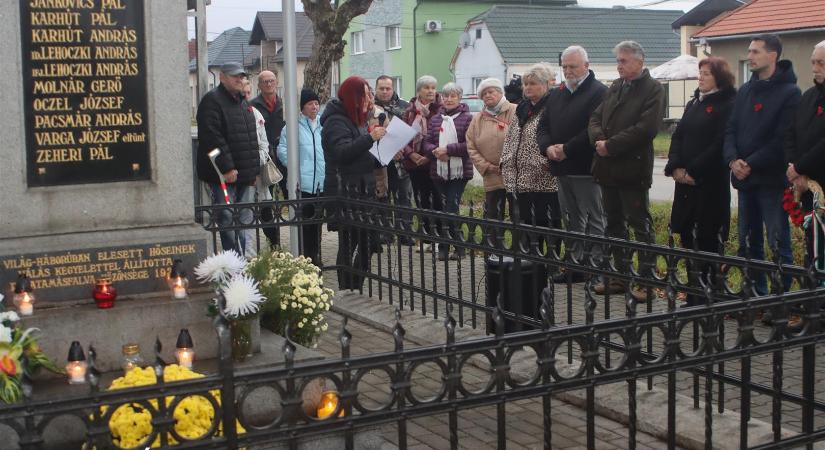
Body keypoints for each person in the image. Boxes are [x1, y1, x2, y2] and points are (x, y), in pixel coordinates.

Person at [724, 34, 800, 295]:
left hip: (771, 181)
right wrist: (733, 159)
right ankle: (755, 293)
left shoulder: (790, 92)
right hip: (745, 181)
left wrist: (751, 163)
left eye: (756, 51)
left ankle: (779, 300)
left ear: (773, 55)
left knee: (777, 242)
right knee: (747, 241)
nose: (751, 56)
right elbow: (731, 128)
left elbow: (782, 138)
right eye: (749, 51)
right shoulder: (745, 90)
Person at [588, 41, 665, 300]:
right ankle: (619, 276)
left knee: (639, 224)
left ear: (639, 61)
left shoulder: (652, 89)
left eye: (623, 61)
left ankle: (646, 281)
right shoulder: (616, 87)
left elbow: (646, 128)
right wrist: (599, 141)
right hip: (607, 167)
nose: (619, 66)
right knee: (613, 224)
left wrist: (611, 145)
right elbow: (595, 117)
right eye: (618, 61)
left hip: (632, 168)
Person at [664, 57, 736, 305]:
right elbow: (678, 137)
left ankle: (709, 292)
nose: (701, 77)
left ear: (719, 77)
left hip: (708, 183)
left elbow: (719, 144)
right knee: (687, 234)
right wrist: (675, 166)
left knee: (707, 238)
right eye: (700, 73)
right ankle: (694, 289)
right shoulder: (694, 103)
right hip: (685, 183)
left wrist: (693, 170)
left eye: (706, 73)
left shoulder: (727, 104)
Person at [537, 45, 607, 283]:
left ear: (586, 66)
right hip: (560, 166)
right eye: (564, 66)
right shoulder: (557, 94)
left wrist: (567, 149)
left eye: (573, 66)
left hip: (585, 166)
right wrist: (547, 148)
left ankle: (597, 267)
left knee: (594, 218)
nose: (568, 71)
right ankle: (576, 265)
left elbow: (593, 128)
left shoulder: (598, 92)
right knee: (571, 219)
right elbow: (543, 125)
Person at [320, 76, 386, 290]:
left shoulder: (357, 119)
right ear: (354, 97)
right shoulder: (335, 121)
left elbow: (362, 155)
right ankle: (347, 289)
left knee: (368, 245)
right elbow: (342, 152)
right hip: (345, 192)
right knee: (349, 246)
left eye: (370, 94)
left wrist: (384, 152)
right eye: (366, 94)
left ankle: (355, 287)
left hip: (362, 190)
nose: (369, 98)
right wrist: (370, 138)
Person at [196, 62, 260, 254]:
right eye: (235, 76)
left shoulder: (242, 102)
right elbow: (212, 138)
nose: (239, 80)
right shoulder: (212, 101)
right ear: (222, 77)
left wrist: (253, 172)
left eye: (241, 76)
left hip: (244, 175)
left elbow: (249, 139)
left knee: (242, 220)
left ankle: (241, 260)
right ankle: (234, 261)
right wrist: (227, 168)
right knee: (227, 218)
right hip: (225, 176)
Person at [500, 62, 561, 230]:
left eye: (533, 83)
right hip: (519, 180)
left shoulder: (553, 106)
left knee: (547, 226)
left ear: (547, 84)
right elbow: (510, 139)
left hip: (545, 181)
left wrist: (545, 164)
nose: (527, 87)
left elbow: (555, 138)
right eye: (526, 84)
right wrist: (505, 162)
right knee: (524, 227)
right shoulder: (522, 108)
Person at [785, 40, 825, 272]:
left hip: (820, 179)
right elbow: (790, 132)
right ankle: (813, 296)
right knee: (812, 246)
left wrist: (800, 167)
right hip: (806, 186)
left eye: (821, 63)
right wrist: (793, 167)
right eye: (813, 62)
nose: (815, 68)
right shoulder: (808, 96)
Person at [423, 82, 474, 260]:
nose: (449, 99)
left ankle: (452, 247)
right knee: (445, 208)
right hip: (439, 170)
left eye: (453, 95)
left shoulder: (468, 118)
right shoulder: (437, 118)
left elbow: (470, 145)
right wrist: (436, 151)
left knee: (451, 207)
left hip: (460, 171)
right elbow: (427, 142)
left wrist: (448, 150)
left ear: (459, 98)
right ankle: (455, 247)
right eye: (446, 96)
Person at [277, 88, 325, 266]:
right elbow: (282, 150)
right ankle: (304, 259)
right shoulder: (292, 126)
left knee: (317, 225)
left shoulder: (324, 124)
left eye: (316, 103)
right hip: (302, 184)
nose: (314, 106)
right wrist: (295, 165)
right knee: (303, 226)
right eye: (310, 103)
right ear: (302, 107)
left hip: (321, 183)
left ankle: (315, 257)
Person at [466, 77, 516, 224]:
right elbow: (471, 145)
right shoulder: (478, 119)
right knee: (493, 214)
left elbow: (522, 139)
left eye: (491, 91)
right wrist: (486, 166)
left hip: (514, 172)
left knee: (517, 214)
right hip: (492, 174)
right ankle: (493, 246)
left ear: (500, 93)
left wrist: (508, 163)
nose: (487, 95)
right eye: (484, 94)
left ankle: (519, 246)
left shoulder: (515, 110)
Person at [401, 76, 443, 250]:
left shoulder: (441, 110)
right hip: (414, 164)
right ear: (419, 91)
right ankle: (425, 237)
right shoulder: (409, 111)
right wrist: (411, 154)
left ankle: (440, 237)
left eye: (433, 87)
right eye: (426, 87)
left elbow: (443, 136)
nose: (431, 91)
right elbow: (401, 136)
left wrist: (428, 155)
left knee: (437, 200)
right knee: (421, 200)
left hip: (433, 161)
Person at [249, 70, 286, 247]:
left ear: (276, 82)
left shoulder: (284, 103)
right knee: (265, 202)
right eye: (265, 81)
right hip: (265, 159)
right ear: (259, 85)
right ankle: (274, 242)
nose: (269, 84)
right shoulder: (253, 106)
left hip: (284, 156)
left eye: (271, 80)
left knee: (290, 197)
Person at [241, 79, 274, 258]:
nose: (245, 97)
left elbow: (264, 146)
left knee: (258, 217)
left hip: (257, 174)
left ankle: (252, 256)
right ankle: (242, 255)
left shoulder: (256, 114)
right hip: (238, 177)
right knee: (241, 219)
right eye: (242, 93)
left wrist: (255, 161)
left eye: (247, 93)